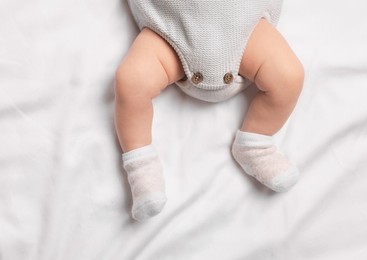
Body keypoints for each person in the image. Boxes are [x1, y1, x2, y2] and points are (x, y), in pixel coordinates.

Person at [115, 1, 304, 221]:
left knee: (288, 76)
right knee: (131, 81)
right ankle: (141, 165)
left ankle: (256, 143)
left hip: (244, 28)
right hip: (170, 30)